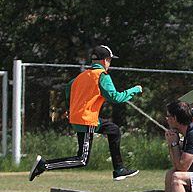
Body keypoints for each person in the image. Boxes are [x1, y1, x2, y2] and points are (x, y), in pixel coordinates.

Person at [30, 45, 142, 182]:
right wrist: (135, 90)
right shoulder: (102, 76)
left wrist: (70, 108)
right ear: (105, 61)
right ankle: (44, 165)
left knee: (114, 130)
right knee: (82, 160)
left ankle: (119, 170)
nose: (109, 64)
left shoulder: (82, 76)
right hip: (86, 119)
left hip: (81, 117)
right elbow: (115, 98)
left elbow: (68, 88)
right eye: (110, 60)